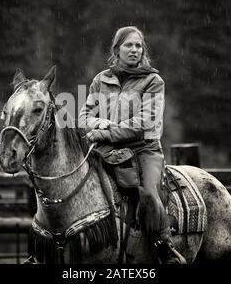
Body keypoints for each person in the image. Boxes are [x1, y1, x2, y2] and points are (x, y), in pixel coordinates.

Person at [78, 26, 186, 264]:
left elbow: (144, 123)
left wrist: (105, 132)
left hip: (144, 149)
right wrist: (102, 125)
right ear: (117, 50)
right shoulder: (101, 79)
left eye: (138, 45)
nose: (134, 49)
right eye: (129, 45)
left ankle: (164, 246)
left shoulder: (153, 81)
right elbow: (84, 117)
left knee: (148, 194)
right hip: (107, 150)